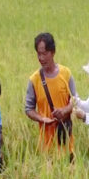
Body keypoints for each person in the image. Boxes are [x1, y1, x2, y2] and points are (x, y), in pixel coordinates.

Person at [25, 32, 77, 160]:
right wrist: (42, 119)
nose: (41, 58)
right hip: (46, 146)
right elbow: (28, 109)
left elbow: (75, 100)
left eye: (44, 53)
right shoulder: (34, 80)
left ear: (53, 52)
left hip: (66, 140)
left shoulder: (66, 74)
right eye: (39, 54)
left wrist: (65, 110)